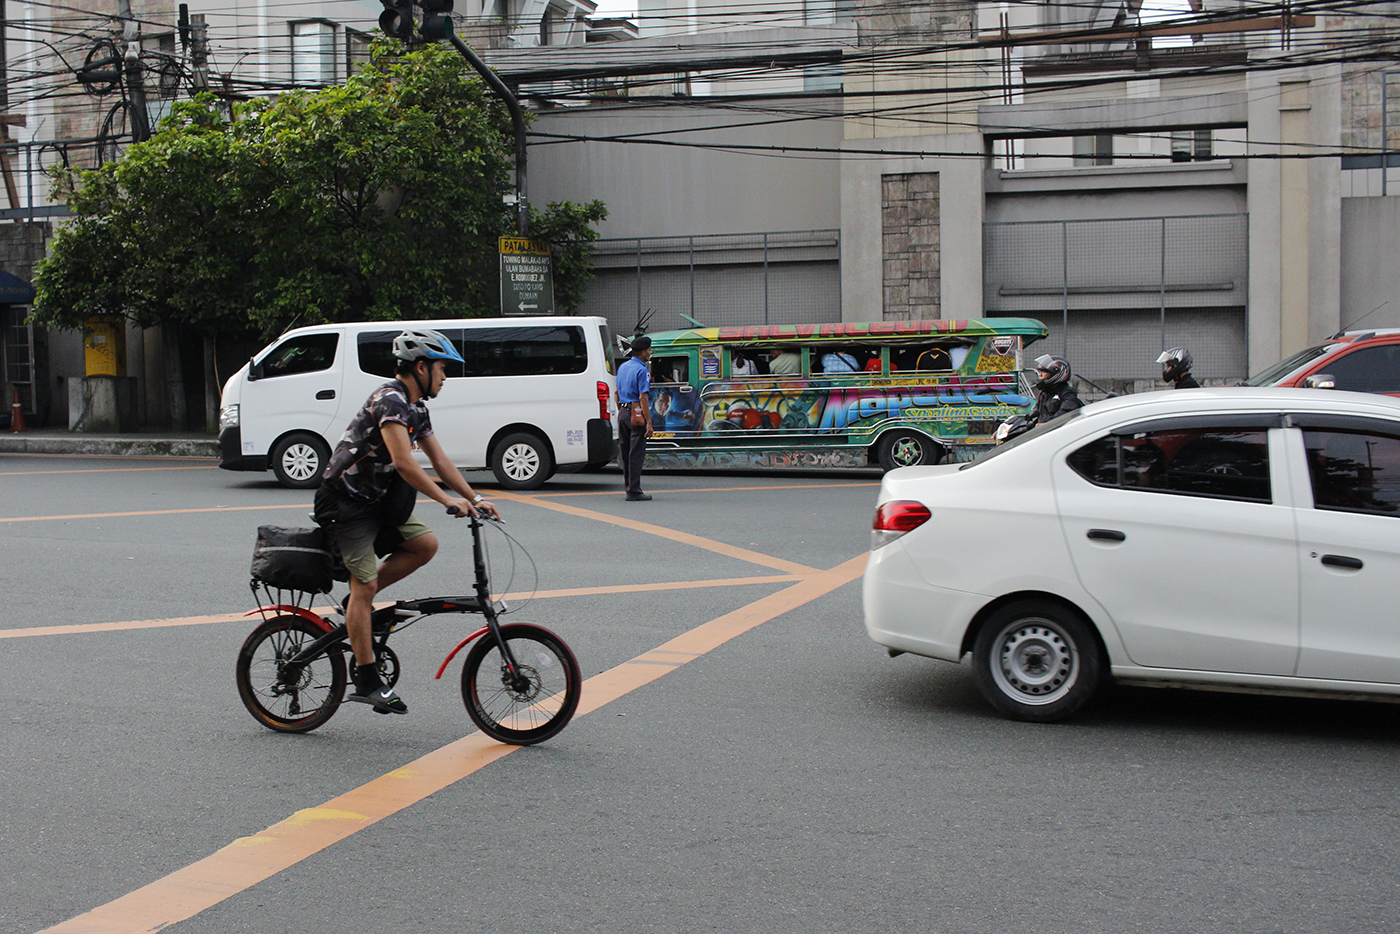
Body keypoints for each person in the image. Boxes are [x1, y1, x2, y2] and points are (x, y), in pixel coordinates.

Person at [314, 328, 501, 716]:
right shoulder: (390, 400)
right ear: (420, 367)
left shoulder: (417, 408)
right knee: (364, 583)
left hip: (376, 501)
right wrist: (447, 501)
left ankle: (357, 607)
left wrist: (475, 498)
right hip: (345, 503)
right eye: (442, 368)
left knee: (424, 545)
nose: (445, 377)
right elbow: (404, 461)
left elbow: (440, 460)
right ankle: (366, 680)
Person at [616, 335, 654, 501]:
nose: (650, 352)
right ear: (644, 352)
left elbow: (616, 392)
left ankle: (628, 487)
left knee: (625, 452)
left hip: (623, 412)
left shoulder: (623, 367)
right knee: (636, 452)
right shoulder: (642, 370)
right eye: (649, 350)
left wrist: (622, 410)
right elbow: (643, 397)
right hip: (635, 412)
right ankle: (634, 490)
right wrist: (649, 423)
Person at [1029, 353, 1083, 424]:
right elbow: (1038, 414)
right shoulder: (1045, 393)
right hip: (1044, 432)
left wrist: (1045, 425)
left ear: (1056, 374)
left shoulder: (1068, 395)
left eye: (1044, 372)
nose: (1040, 375)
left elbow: (1064, 415)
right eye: (1039, 372)